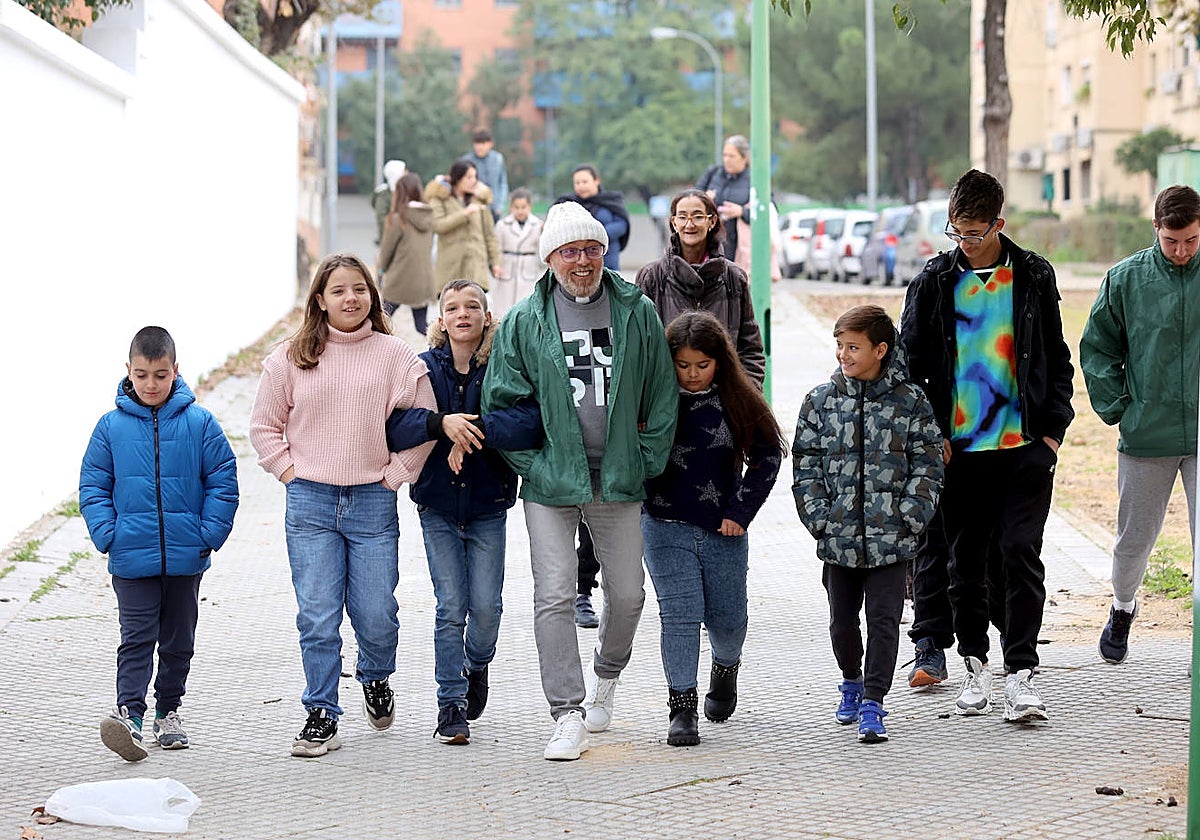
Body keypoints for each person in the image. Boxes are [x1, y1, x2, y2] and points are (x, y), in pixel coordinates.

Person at [482, 201, 678, 761]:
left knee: (629, 594)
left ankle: (607, 677)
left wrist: (642, 459)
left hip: (618, 477)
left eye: (591, 249)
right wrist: (537, 468)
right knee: (553, 595)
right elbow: (502, 404)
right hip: (551, 481)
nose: (583, 261)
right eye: (570, 251)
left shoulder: (637, 312)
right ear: (550, 259)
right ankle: (565, 712)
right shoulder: (524, 319)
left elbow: (662, 395)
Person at [899, 168, 1074, 722]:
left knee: (1021, 552)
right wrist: (932, 436)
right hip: (960, 452)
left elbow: (1057, 358)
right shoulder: (932, 283)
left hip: (1024, 448)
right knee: (965, 560)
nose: (965, 244)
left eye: (974, 233)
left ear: (999, 223)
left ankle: (1021, 672)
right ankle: (974, 667)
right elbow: (909, 372)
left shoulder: (1034, 276)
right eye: (956, 232)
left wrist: (1050, 436)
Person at [249, 253, 437, 758]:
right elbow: (263, 427)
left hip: (372, 503)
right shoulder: (290, 356)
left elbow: (425, 422)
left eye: (359, 289)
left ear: (372, 296)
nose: (350, 298)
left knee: (376, 613)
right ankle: (321, 711)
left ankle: (375, 677)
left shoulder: (396, 355)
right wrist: (290, 472)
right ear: (319, 300)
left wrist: (396, 476)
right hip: (310, 502)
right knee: (317, 614)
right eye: (338, 290)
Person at [384, 279, 543, 745]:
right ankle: (450, 705)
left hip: (488, 505)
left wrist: (471, 432)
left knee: (487, 609)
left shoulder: (502, 367)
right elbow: (395, 424)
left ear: (487, 317)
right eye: (452, 307)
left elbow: (530, 420)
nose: (463, 313)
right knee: (451, 607)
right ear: (440, 321)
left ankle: (477, 664)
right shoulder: (422, 368)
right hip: (436, 506)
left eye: (473, 306)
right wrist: (440, 425)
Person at [80, 326, 239, 761]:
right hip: (131, 557)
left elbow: (223, 480)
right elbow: (93, 485)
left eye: (161, 375)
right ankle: (129, 714)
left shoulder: (200, 423)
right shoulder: (109, 428)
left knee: (177, 640)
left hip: (186, 558)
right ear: (127, 371)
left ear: (176, 371)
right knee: (135, 636)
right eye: (142, 374)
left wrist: (209, 535)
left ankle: (168, 711)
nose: (151, 384)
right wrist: (107, 533)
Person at [793, 305, 943, 742]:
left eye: (854, 346)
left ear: (881, 349)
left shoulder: (910, 402)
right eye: (839, 345)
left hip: (891, 543)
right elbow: (806, 464)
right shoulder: (820, 401)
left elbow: (928, 461)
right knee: (842, 622)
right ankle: (851, 682)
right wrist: (820, 519)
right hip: (838, 540)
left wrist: (910, 517)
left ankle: (875, 701)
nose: (843, 354)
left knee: (883, 621)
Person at [643, 311, 783, 747]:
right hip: (664, 523)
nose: (692, 375)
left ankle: (726, 667)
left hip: (724, 528)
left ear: (719, 361)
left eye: (702, 366)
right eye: (683, 365)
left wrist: (741, 512)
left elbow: (768, 457)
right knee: (679, 616)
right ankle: (681, 708)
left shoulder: (737, 397)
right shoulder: (652, 398)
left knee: (726, 618)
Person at [1080, 184, 1200, 665]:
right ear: (1156, 228)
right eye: (1172, 241)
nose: (1181, 251)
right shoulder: (1126, 279)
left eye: (1191, 240)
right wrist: (1119, 407)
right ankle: (1123, 606)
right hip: (1146, 431)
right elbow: (1098, 348)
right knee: (1133, 542)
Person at [635, 188, 766, 386]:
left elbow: (751, 348)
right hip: (668, 401)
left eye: (697, 216)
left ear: (711, 221)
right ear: (673, 222)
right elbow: (638, 348)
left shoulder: (733, 278)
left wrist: (745, 395)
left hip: (724, 400)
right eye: (682, 217)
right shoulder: (652, 277)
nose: (690, 224)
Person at [426, 160, 502, 292]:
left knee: (477, 307)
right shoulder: (439, 199)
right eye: (469, 177)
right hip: (451, 267)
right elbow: (438, 226)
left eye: (475, 177)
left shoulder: (480, 201)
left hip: (476, 267)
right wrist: (464, 213)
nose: (474, 181)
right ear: (457, 178)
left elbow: (490, 235)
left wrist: (496, 262)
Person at [379, 171, 437, 336]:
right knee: (422, 327)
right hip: (423, 280)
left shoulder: (398, 218)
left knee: (381, 318)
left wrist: (381, 270)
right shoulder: (429, 216)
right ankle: (445, 352)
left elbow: (387, 250)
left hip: (399, 279)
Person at [553, 164, 630, 271]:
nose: (581, 186)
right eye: (577, 183)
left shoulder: (611, 200)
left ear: (596, 181)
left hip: (608, 262)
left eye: (585, 182)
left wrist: (594, 236)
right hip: (577, 264)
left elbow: (621, 225)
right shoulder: (568, 204)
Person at [696, 136, 751, 263]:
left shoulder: (755, 180)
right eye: (725, 155)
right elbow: (691, 200)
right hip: (711, 243)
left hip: (739, 248)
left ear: (744, 158)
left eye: (732, 156)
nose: (727, 160)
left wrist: (742, 212)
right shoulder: (713, 173)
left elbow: (768, 211)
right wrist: (705, 200)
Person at [492, 188, 545, 319]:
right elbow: (496, 247)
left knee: (525, 308)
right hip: (507, 267)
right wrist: (495, 265)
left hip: (528, 269)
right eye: (517, 207)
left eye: (523, 207)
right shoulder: (502, 225)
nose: (520, 211)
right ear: (511, 207)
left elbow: (541, 252)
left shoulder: (538, 225)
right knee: (503, 309)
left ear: (529, 207)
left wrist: (544, 233)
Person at [464, 129, 509, 220]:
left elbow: (502, 183)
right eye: (477, 143)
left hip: (494, 207)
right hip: (474, 206)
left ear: (490, 144)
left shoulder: (497, 159)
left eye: (483, 143)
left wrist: (500, 206)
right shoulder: (466, 161)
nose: (480, 147)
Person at [372, 159, 407, 245]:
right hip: (388, 241)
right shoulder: (384, 194)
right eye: (404, 171)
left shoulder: (404, 191)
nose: (406, 173)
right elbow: (381, 218)